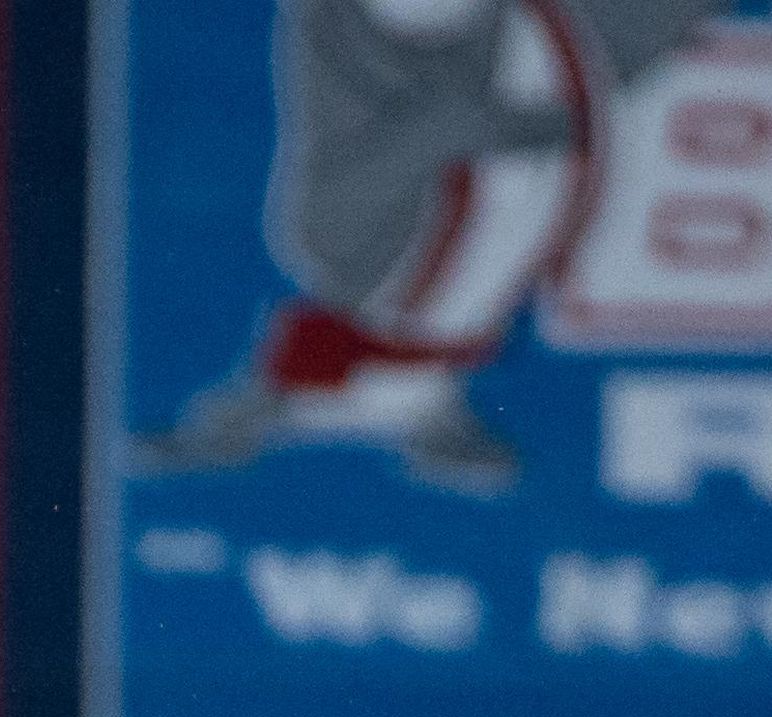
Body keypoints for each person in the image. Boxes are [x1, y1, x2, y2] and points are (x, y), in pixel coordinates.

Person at [141, 0, 720, 494]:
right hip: (420, 226)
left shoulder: (338, 244)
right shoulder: (341, 231)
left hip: (432, 233)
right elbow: (443, 127)